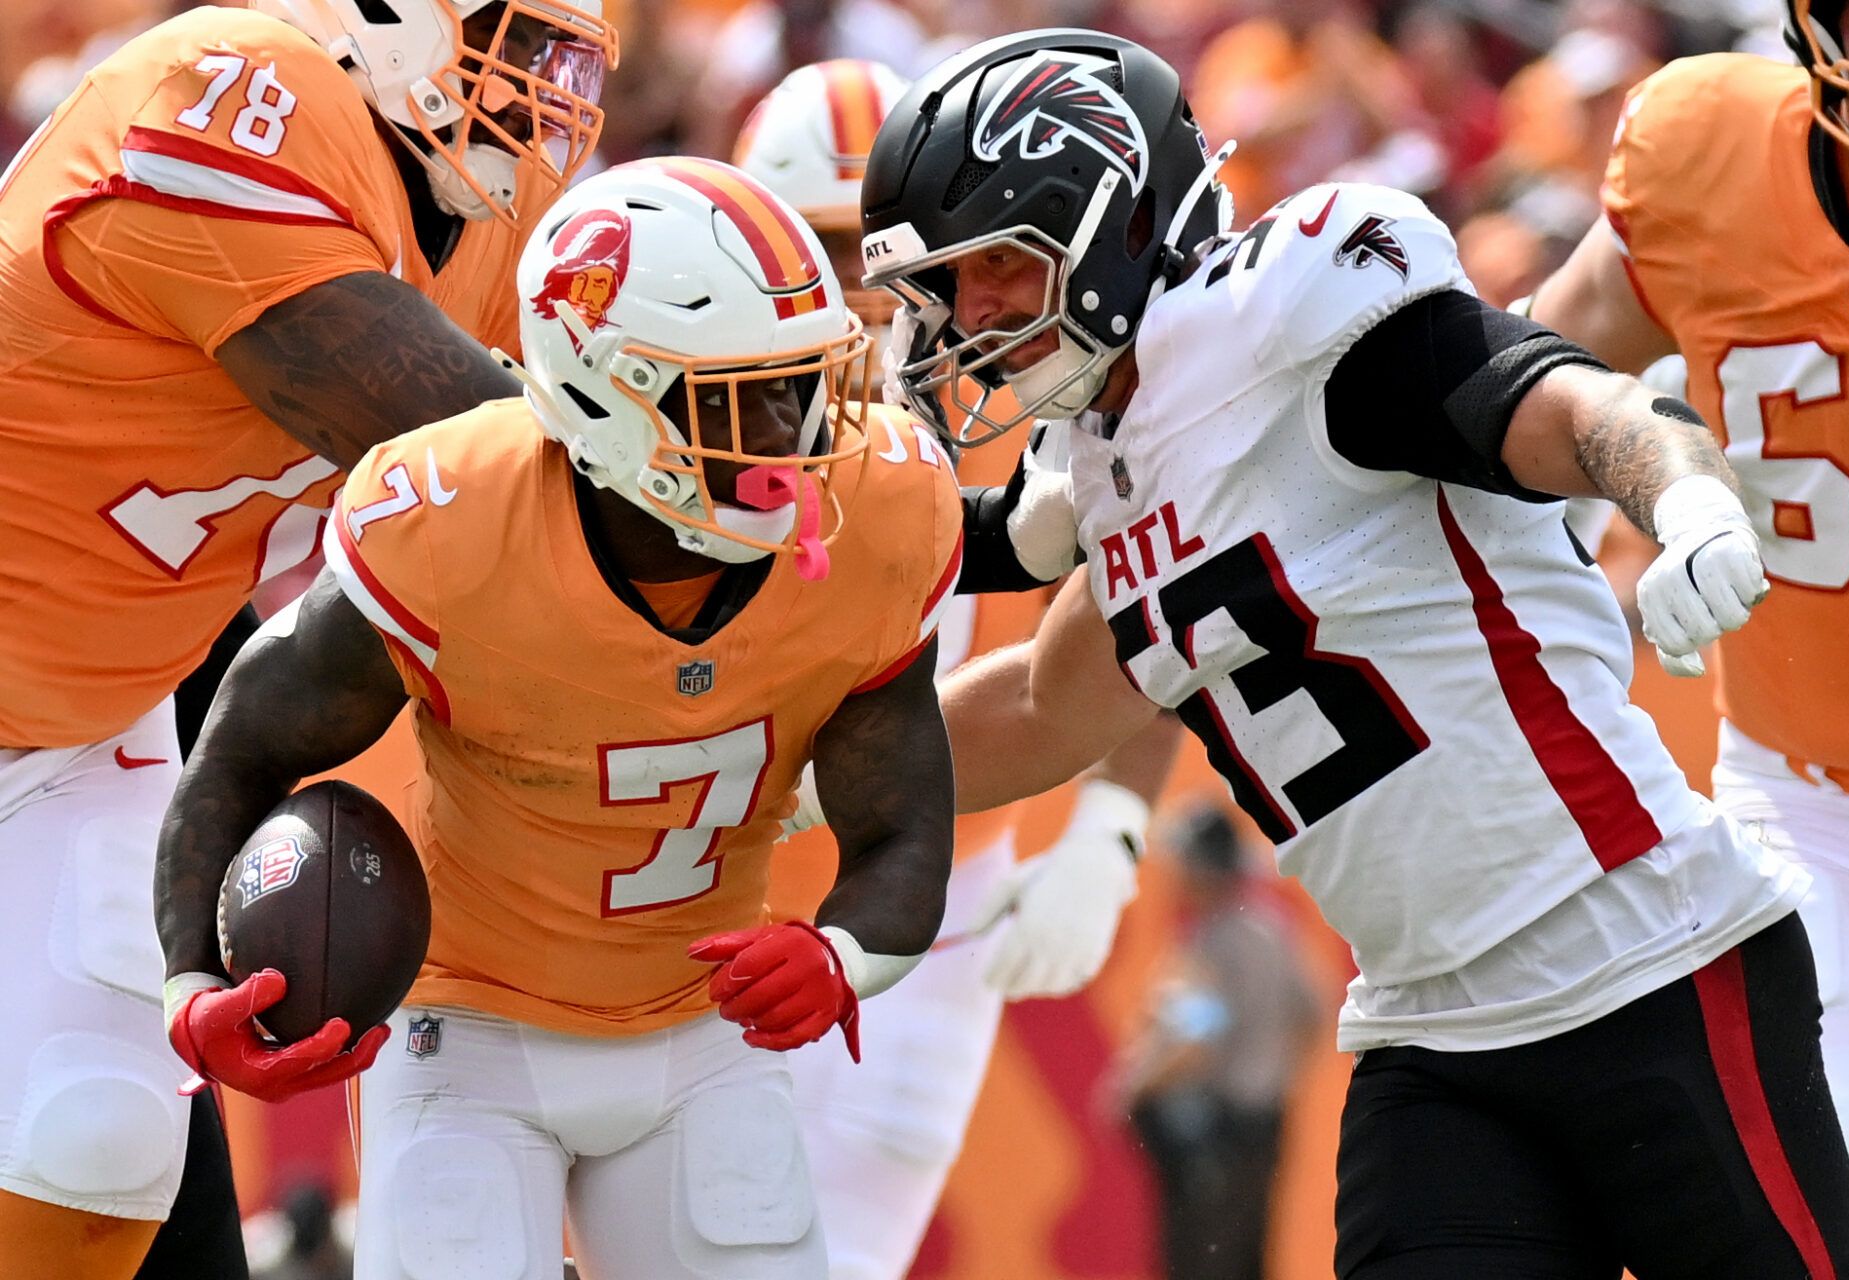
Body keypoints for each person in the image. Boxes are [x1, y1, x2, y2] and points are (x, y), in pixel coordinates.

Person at [861, 27, 1849, 1278]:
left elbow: (1568, 403)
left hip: (1651, 957)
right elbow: (1032, 704)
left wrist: (1687, 495)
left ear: (1116, 226)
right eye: (947, 287)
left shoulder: (1293, 325)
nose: (968, 318)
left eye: (1000, 267)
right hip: (1429, 1032)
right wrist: (764, 763)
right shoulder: (1109, 461)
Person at [153, 156, 965, 1280]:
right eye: (746, 395)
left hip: (699, 1030)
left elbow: (905, 823)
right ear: (608, 395)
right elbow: (244, 745)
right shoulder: (450, 519)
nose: (797, 432)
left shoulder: (880, 510)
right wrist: (193, 980)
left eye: (806, 381)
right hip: (462, 1029)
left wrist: (838, 954)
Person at [0, 1, 615, 1275]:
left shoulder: (480, 225)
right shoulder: (233, 94)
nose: (545, 96)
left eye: (569, 61)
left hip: (83, 716)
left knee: (97, 1131)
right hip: (78, 678)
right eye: (519, 43)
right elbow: (477, 462)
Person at [735, 59, 1179, 1278]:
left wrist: (1112, 829)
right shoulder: (697, 403)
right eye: (823, 246)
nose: (861, 291)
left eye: (890, 252)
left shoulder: (1030, 389)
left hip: (935, 918)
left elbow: (1147, 605)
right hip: (721, 905)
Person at [1526, 0, 1849, 1271]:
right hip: (1809, 795)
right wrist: (1659, 502)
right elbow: (1537, 385)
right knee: (1825, 1164)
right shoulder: (1708, 153)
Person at [1110, 806, 1324, 1280]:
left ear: (1203, 871)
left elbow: (1196, 1034)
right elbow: (1313, 1011)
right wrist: (1276, 1077)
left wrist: (1130, 1088)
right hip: (1264, 1122)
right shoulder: (1272, 930)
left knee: (1200, 1262)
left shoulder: (1211, 942)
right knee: (1249, 1261)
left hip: (1213, 1134)